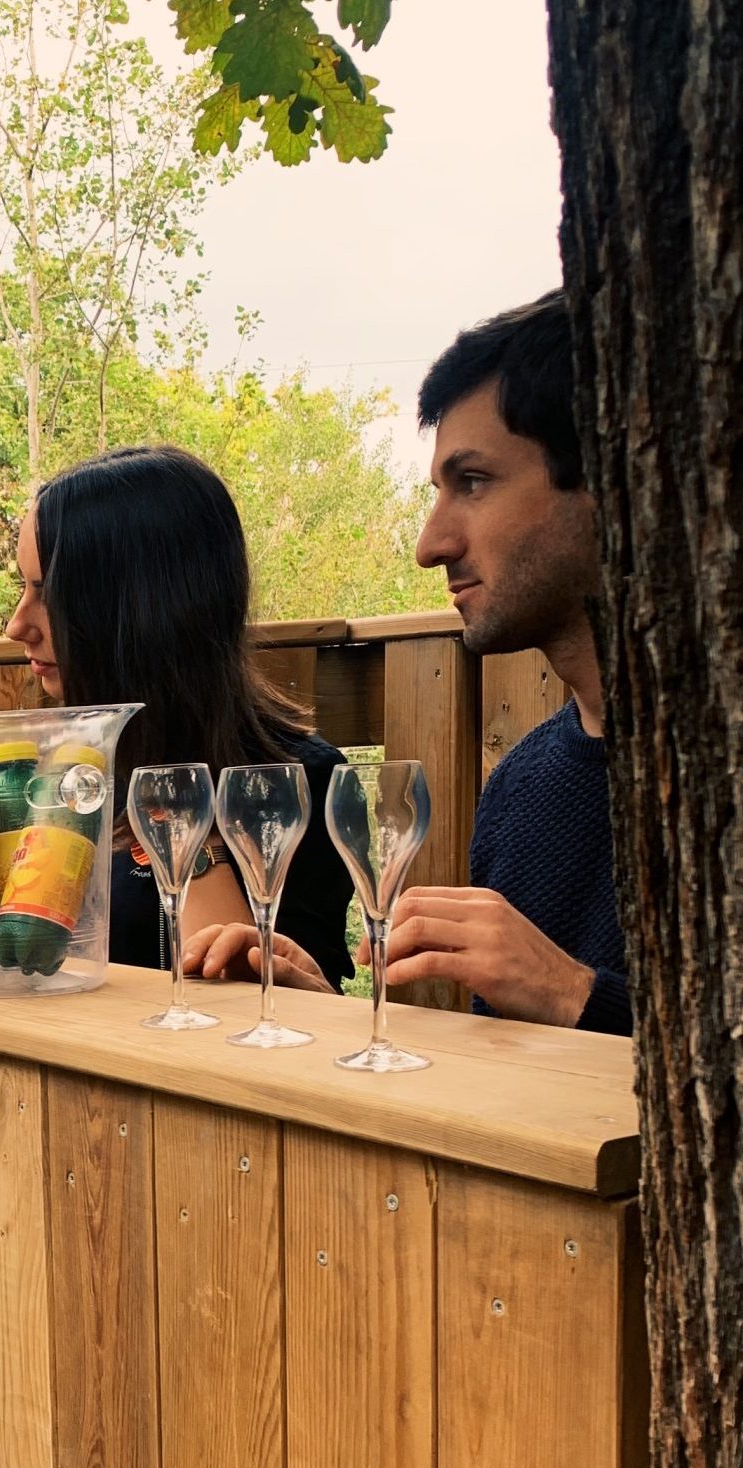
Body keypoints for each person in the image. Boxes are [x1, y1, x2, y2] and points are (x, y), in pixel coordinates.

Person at [186, 290, 630, 1034]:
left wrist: (576, 993)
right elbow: (511, 1086)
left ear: (612, 479)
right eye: (438, 492)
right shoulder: (524, 786)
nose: (431, 544)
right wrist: (320, 1018)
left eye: (474, 482)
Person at [4, 445, 356, 988]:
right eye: (23, 588)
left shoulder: (296, 785)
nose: (16, 624)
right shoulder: (67, 779)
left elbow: (279, 1012)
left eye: (48, 595)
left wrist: (190, 831)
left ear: (138, 612)